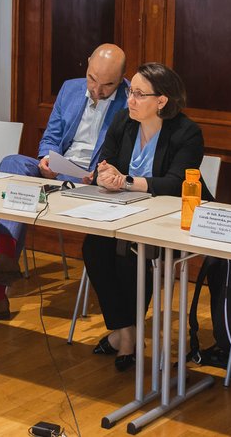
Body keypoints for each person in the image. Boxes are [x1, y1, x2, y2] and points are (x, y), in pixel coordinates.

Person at [0, 43, 129, 324]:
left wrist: (102, 173)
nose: (97, 89)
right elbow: (52, 135)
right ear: (88, 62)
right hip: (59, 172)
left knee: (22, 189)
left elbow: (128, 153)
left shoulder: (131, 100)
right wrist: (45, 158)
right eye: (93, 78)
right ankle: (4, 261)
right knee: (13, 163)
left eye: (107, 85)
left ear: (122, 78)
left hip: (95, 182)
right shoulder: (70, 88)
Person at [80, 62, 207, 372]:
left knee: (131, 253)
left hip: (172, 222)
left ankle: (126, 336)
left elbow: (177, 182)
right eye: (129, 91)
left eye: (138, 94)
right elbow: (105, 162)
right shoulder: (124, 121)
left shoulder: (186, 132)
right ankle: (125, 329)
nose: (130, 100)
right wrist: (105, 175)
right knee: (93, 247)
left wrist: (125, 181)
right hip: (122, 213)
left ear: (161, 101)